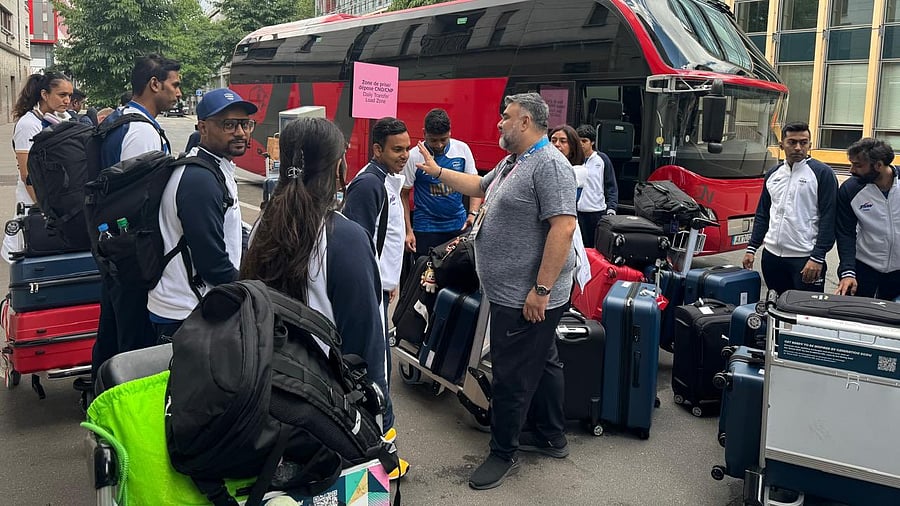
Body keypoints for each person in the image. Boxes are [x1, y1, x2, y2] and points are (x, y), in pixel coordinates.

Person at [416, 92, 577, 490]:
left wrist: (540, 290)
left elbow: (564, 227)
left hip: (526, 296)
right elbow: (476, 184)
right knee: (544, 361)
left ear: (526, 122)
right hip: (512, 290)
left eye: (506, 117)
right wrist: (437, 171)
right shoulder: (513, 161)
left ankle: (502, 451)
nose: (500, 123)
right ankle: (552, 436)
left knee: (510, 375)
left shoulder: (549, 164)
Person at [241, 116, 406, 479]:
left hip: (272, 399)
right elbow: (367, 347)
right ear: (337, 168)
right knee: (356, 494)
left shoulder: (261, 227)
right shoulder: (344, 238)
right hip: (332, 417)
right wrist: (378, 422)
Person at [92, 54, 182, 378]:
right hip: (133, 254)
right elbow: (141, 200)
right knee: (133, 346)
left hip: (113, 246)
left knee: (111, 334)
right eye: (175, 84)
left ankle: (99, 395)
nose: (179, 93)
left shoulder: (119, 120)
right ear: (154, 84)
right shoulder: (142, 132)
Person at [147, 88, 252, 339]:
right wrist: (251, 290)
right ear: (203, 128)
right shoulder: (200, 181)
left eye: (245, 124)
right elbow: (212, 264)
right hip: (186, 312)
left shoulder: (216, 167)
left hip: (197, 305)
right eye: (229, 125)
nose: (240, 132)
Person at [341, 116, 409, 479]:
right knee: (377, 370)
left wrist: (389, 280)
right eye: (397, 149)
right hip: (370, 292)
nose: (404, 155)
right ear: (377, 149)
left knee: (379, 367)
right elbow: (358, 244)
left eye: (407, 148)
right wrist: (373, 286)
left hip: (380, 287)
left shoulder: (387, 181)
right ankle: (384, 457)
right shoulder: (368, 185)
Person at [742, 121, 837, 294]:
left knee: (806, 309)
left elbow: (829, 218)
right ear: (781, 145)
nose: (798, 148)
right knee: (776, 305)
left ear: (810, 144)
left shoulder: (823, 173)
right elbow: (763, 213)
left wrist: (818, 257)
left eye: (803, 142)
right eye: (792, 142)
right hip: (771, 257)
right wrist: (752, 248)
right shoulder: (773, 174)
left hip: (805, 258)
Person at [2, 72, 73, 262]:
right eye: (62, 95)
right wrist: (43, 209)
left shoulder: (60, 119)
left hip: (52, 198)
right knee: (26, 259)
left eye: (69, 95)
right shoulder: (28, 125)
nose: (67, 100)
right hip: (34, 203)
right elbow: (27, 175)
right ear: (44, 94)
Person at [401, 108, 481, 257]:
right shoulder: (413, 156)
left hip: (458, 225)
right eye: (433, 140)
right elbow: (403, 194)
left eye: (443, 140)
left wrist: (472, 214)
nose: (439, 145)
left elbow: (476, 185)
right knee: (426, 271)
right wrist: (408, 231)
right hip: (425, 228)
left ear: (450, 132)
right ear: (424, 133)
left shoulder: (462, 150)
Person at [835, 138, 900, 299]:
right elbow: (845, 233)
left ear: (878, 165)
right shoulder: (850, 189)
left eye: (858, 165)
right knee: (857, 312)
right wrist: (847, 271)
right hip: (864, 266)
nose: (851, 170)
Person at [575, 124, 618, 246]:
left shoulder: (602, 159)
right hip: (577, 211)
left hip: (597, 211)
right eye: (578, 141)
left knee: (596, 247)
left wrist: (611, 208)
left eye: (584, 141)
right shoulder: (573, 159)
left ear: (592, 142)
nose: (581, 144)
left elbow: (611, 186)